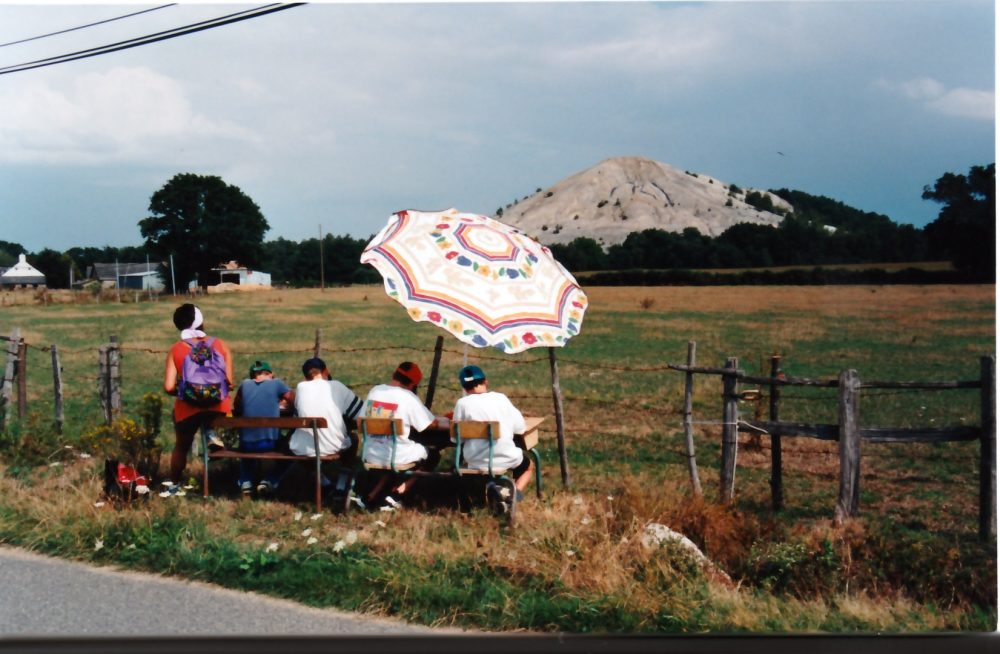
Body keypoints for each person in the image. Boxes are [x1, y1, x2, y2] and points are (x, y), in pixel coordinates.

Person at [162, 303, 234, 496]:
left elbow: (168, 386)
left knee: (181, 447)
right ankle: (211, 433)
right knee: (211, 418)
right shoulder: (220, 345)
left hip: (188, 407)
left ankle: (175, 484)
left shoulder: (176, 349)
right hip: (218, 406)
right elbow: (230, 383)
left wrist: (188, 392)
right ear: (201, 322)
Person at [360, 361, 448, 509]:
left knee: (391, 458)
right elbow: (429, 424)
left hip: (371, 453)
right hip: (395, 456)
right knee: (432, 455)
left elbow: (361, 418)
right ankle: (398, 493)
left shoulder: (375, 391)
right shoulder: (408, 397)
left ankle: (372, 496)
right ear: (412, 384)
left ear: (395, 375)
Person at [452, 364, 532, 499]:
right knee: (528, 466)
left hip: (475, 461)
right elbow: (520, 428)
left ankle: (494, 491)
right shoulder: (501, 398)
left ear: (464, 388)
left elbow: (456, 438)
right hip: (506, 457)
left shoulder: (462, 403)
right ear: (485, 382)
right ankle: (512, 494)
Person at [232, 360, 295, 496]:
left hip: (247, 444)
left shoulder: (244, 385)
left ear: (253, 376)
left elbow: (237, 407)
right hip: (269, 443)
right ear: (270, 374)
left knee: (246, 441)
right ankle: (271, 480)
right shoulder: (276, 384)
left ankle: (246, 481)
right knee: (292, 450)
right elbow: (294, 400)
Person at [290, 357, 363, 457]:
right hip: (332, 447)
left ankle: (311, 467)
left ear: (305, 378)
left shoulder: (300, 387)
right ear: (326, 371)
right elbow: (360, 413)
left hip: (302, 448)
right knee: (353, 438)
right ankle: (346, 466)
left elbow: (296, 418)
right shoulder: (336, 385)